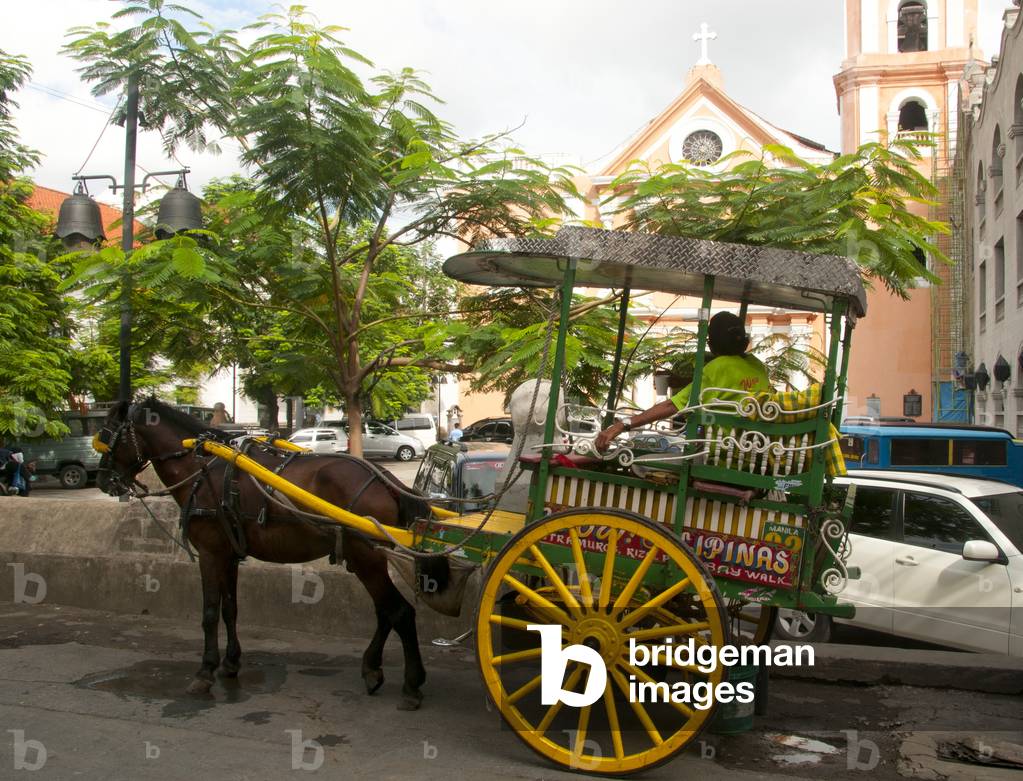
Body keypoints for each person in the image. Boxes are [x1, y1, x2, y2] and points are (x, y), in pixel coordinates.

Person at [595, 311, 770, 453]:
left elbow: (671, 406)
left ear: (712, 342)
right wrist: (683, 381)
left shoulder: (716, 367)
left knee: (640, 454)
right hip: (755, 448)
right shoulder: (756, 365)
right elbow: (728, 382)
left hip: (722, 452)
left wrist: (622, 425)